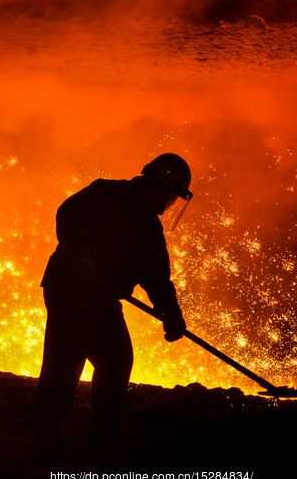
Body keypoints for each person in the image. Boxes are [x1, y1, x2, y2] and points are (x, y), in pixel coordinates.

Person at [33, 153, 193, 459]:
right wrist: (82, 256)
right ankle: (45, 439)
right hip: (70, 290)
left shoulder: (149, 228)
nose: (170, 204)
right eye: (171, 196)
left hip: (101, 298)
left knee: (116, 359)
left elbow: (157, 279)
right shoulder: (105, 193)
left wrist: (172, 317)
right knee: (65, 362)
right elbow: (66, 214)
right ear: (160, 188)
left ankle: (104, 431)